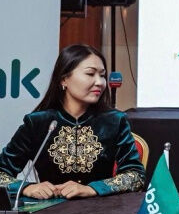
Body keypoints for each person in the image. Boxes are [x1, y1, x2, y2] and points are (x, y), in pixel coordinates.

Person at [0, 44, 145, 199]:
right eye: (90, 74)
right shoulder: (37, 122)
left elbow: (136, 176)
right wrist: (26, 188)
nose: (100, 82)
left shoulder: (115, 121)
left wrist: (92, 189)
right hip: (49, 210)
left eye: (102, 75)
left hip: (100, 209)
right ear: (64, 79)